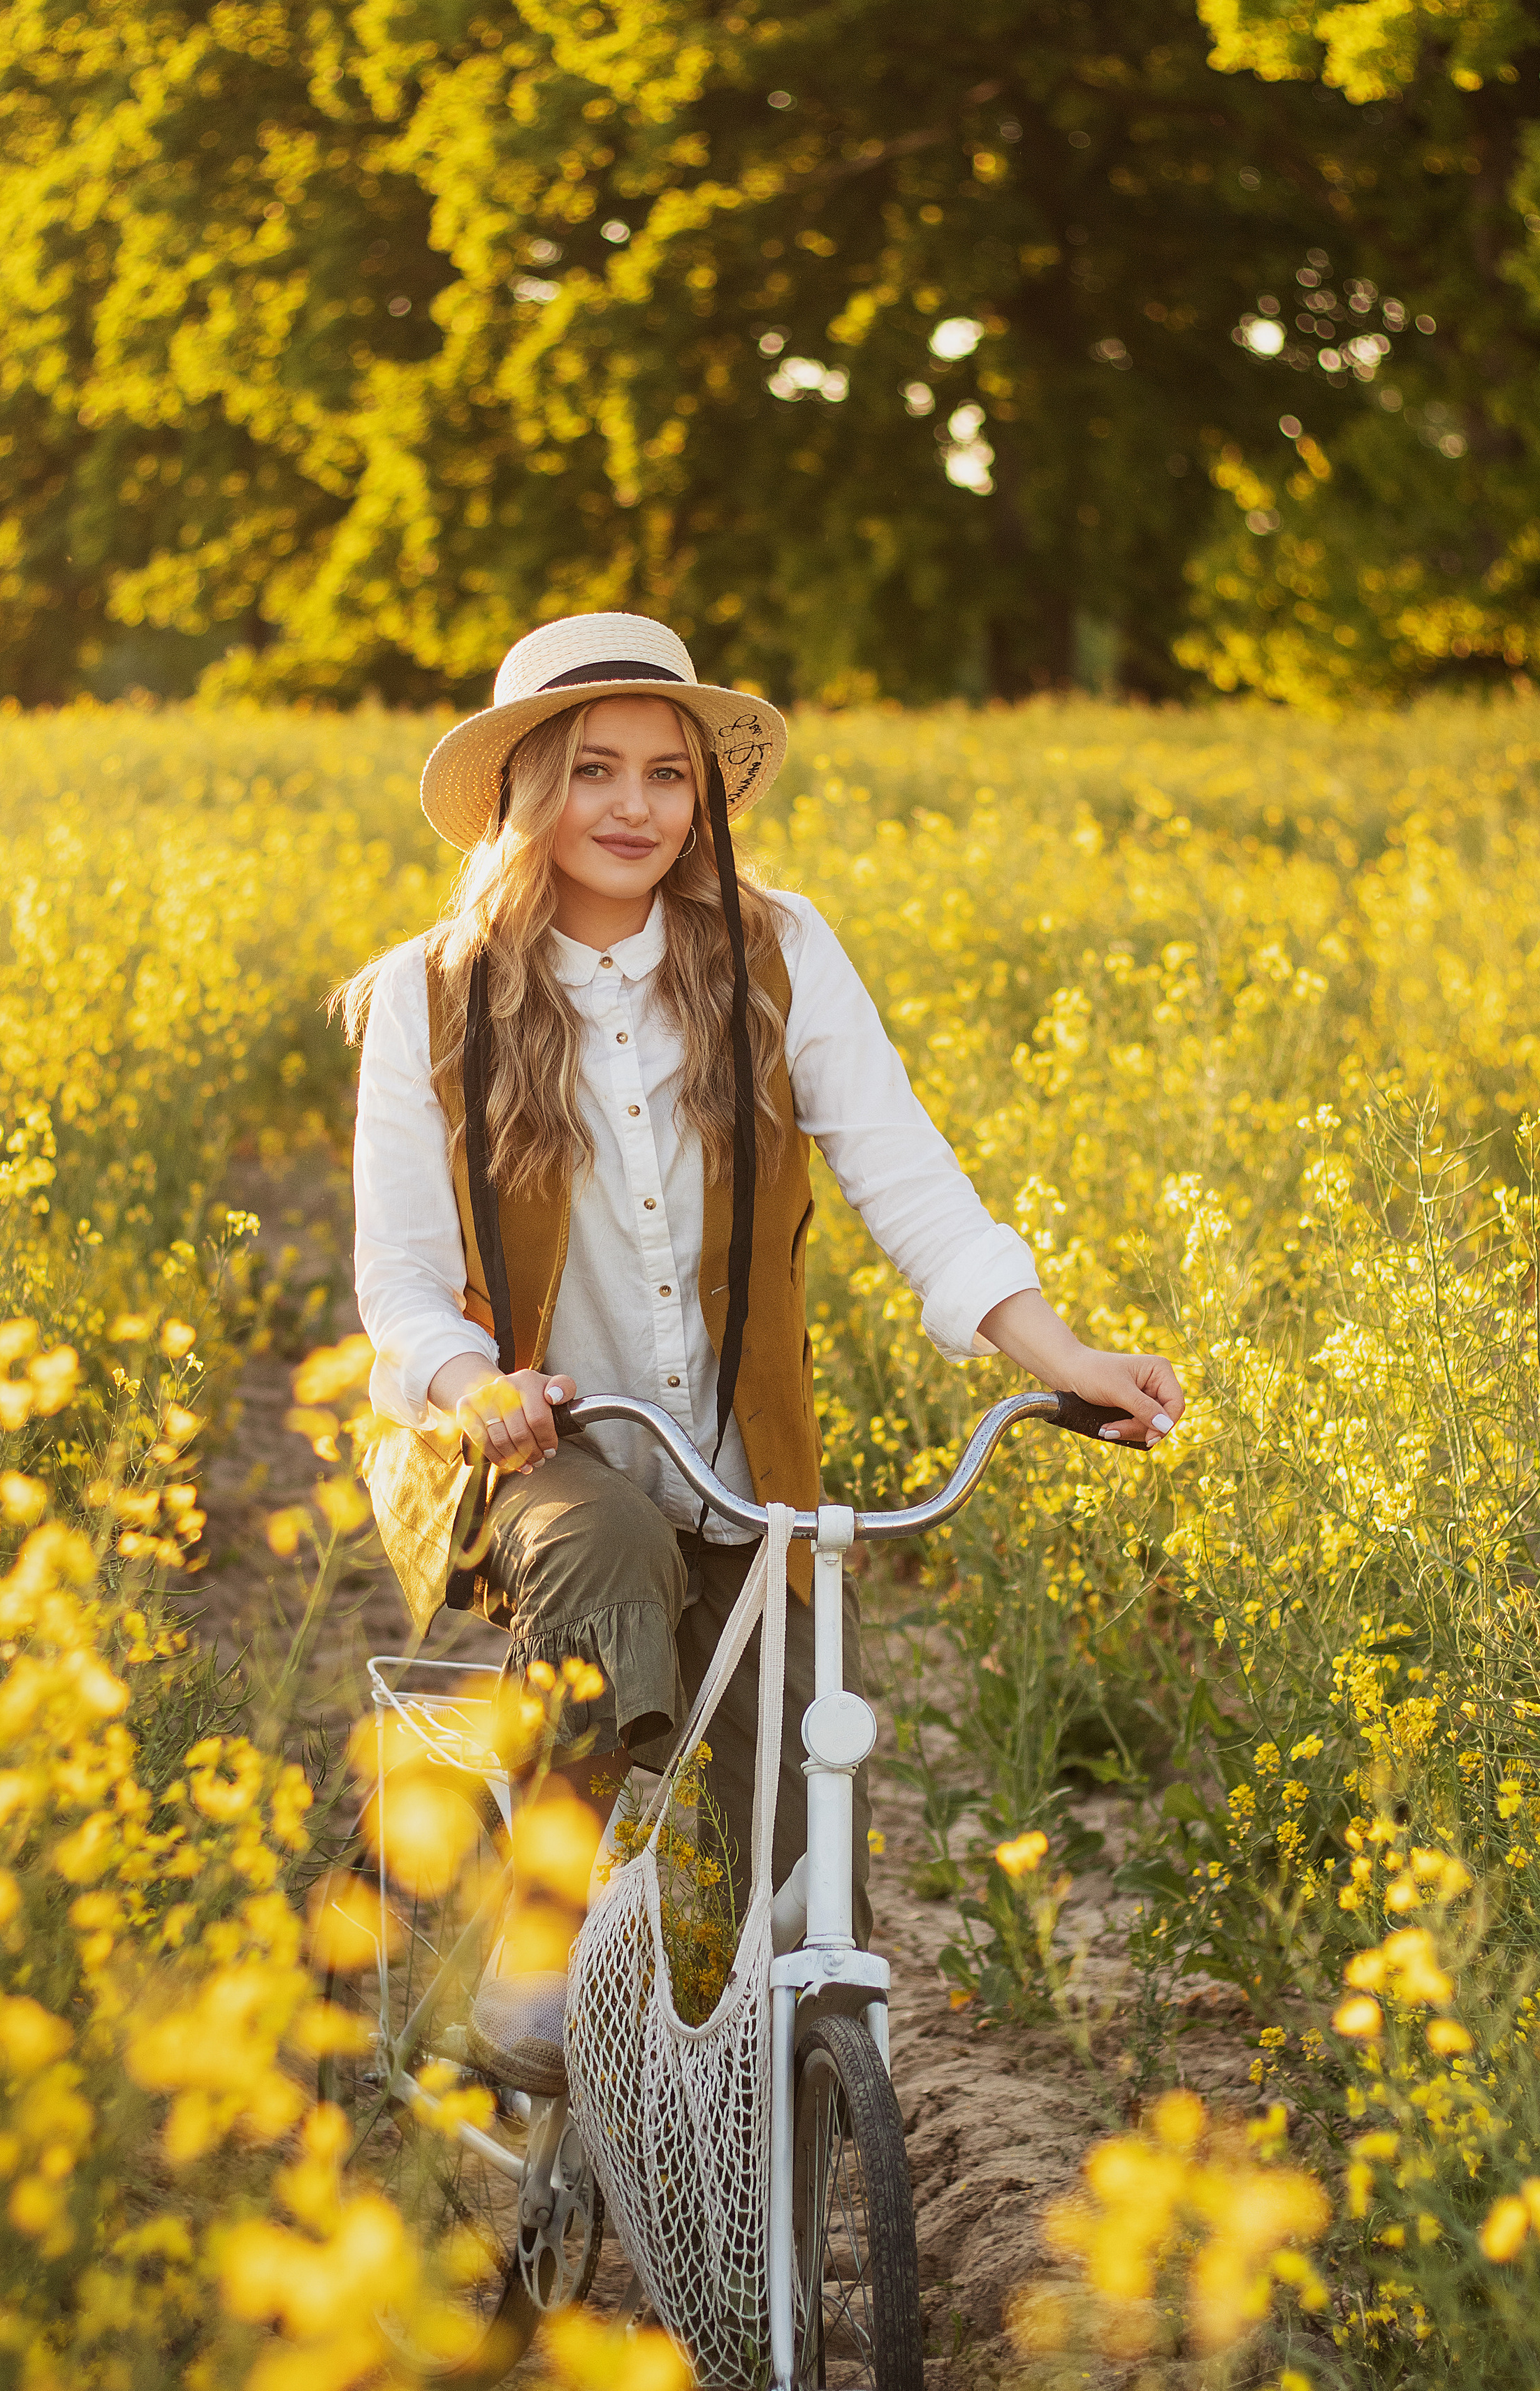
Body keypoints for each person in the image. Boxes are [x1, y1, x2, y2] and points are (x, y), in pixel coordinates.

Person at [344, 609, 1184, 2047]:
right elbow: (400, 1281)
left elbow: (903, 1173)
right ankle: (539, 1947)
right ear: (523, 795)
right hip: (524, 1450)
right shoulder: (429, 996)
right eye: (594, 770)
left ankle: (765, 2124)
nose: (634, 808)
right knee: (605, 1549)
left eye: (667, 775)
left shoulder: (776, 954)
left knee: (809, 1844)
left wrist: (1061, 1359)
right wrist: (475, 1382)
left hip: (739, 1463)